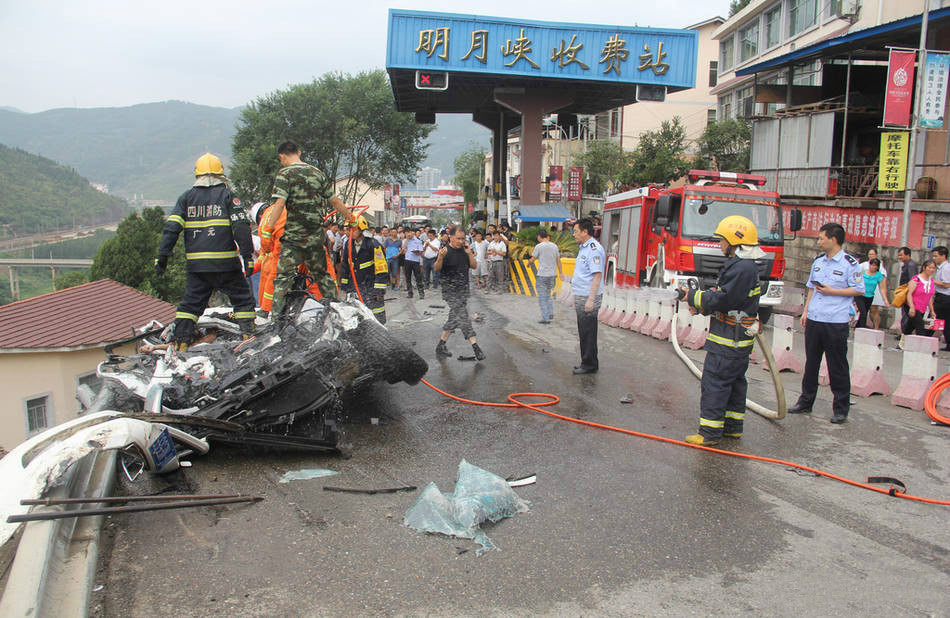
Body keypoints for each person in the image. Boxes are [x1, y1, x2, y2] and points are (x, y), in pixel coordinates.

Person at [155, 153, 256, 350]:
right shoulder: (227, 196)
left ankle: (181, 344)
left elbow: (171, 229)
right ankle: (249, 337)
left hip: (198, 267)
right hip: (226, 264)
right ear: (220, 174)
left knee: (190, 306)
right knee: (242, 300)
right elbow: (241, 228)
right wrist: (247, 256)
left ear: (197, 175)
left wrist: (162, 257)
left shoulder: (186, 198)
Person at [678, 216, 762, 446]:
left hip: (728, 340)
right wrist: (702, 305)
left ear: (734, 242)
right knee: (734, 383)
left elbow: (724, 299)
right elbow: (729, 300)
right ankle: (732, 428)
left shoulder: (741, 268)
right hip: (738, 340)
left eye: (722, 240)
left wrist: (693, 296)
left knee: (715, 382)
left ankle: (709, 433)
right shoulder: (745, 267)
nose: (720, 245)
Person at [264, 141, 352, 317]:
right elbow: (334, 201)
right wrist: (351, 218)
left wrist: (268, 228)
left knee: (283, 278)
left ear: (282, 156)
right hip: (314, 237)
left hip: (293, 238)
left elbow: (279, 203)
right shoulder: (317, 173)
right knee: (322, 276)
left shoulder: (284, 174)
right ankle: (337, 313)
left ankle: (276, 320)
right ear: (299, 152)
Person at [789, 222, 864, 423]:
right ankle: (805, 401)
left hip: (835, 321)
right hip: (815, 319)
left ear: (833, 239)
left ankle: (840, 408)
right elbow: (811, 288)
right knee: (811, 363)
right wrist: (805, 311)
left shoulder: (850, 264)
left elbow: (859, 289)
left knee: (837, 366)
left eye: (821, 238)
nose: (818, 241)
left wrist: (834, 292)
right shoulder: (818, 262)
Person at [434, 225, 484, 361]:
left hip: (463, 290)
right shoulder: (445, 251)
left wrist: (469, 253)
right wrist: (440, 257)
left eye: (463, 238)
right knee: (463, 317)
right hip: (450, 290)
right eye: (458, 238)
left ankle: (441, 345)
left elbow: (474, 266)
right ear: (450, 237)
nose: (461, 241)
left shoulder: (464, 251)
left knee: (454, 317)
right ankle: (476, 347)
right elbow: (437, 269)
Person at [338, 216, 389, 323]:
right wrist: (345, 284)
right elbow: (346, 266)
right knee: (357, 313)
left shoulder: (373, 245)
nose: (347, 232)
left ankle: (380, 333)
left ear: (360, 229)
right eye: (346, 229)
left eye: (351, 229)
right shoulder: (348, 244)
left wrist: (378, 290)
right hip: (355, 286)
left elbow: (382, 269)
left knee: (375, 312)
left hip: (370, 286)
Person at [571, 218, 605, 374]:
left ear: (585, 231)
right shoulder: (583, 248)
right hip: (581, 295)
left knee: (588, 331)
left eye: (576, 231)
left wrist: (591, 299)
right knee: (583, 330)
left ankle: (589, 364)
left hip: (588, 297)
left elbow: (597, 276)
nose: (574, 234)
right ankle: (586, 361)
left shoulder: (594, 249)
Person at [526, 228, 562, 324]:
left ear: (539, 236)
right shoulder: (555, 246)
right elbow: (558, 260)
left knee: (542, 297)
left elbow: (532, 259)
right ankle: (550, 313)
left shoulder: (539, 246)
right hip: (552, 275)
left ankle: (545, 318)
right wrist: (561, 273)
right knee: (548, 294)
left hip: (542, 275)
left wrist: (528, 264)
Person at [902, 259, 937, 341]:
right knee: (920, 326)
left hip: (922, 308)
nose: (931, 270)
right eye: (929, 267)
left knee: (909, 327)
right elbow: (909, 294)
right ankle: (921, 347)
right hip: (912, 306)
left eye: (933, 268)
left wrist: (932, 311)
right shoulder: (916, 279)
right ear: (924, 268)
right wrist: (911, 307)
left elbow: (930, 297)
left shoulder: (931, 281)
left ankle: (902, 344)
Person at [860, 248, 888, 329]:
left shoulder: (880, 267)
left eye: (873, 254)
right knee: (863, 310)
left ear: (876, 255)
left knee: (874, 309)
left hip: (875, 290)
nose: (871, 256)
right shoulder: (864, 265)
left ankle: (876, 327)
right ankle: (861, 326)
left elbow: (883, 281)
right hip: (865, 290)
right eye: (870, 254)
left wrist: (885, 297)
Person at [896, 246, 918, 334]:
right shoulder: (907, 264)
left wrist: (908, 293)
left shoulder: (911, 265)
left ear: (907, 255)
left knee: (906, 314)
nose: (899, 257)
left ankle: (905, 333)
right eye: (898, 255)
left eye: (901, 255)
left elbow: (912, 280)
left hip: (907, 293)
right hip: (904, 292)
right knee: (904, 313)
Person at [932, 246, 950, 350]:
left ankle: (926, 336)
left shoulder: (946, 268)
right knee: (944, 321)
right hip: (941, 297)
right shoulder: (942, 268)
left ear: (943, 256)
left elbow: (947, 284)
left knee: (935, 318)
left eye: (936, 256)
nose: (934, 258)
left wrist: (932, 281)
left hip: (944, 298)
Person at [403, 228, 425, 298]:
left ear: (412, 232)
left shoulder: (418, 241)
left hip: (415, 261)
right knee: (408, 277)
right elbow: (403, 249)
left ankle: (421, 293)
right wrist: (407, 239)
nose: (408, 234)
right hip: (407, 260)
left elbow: (421, 252)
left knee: (418, 277)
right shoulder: (405, 241)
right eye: (406, 233)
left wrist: (417, 252)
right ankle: (410, 293)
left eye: (409, 232)